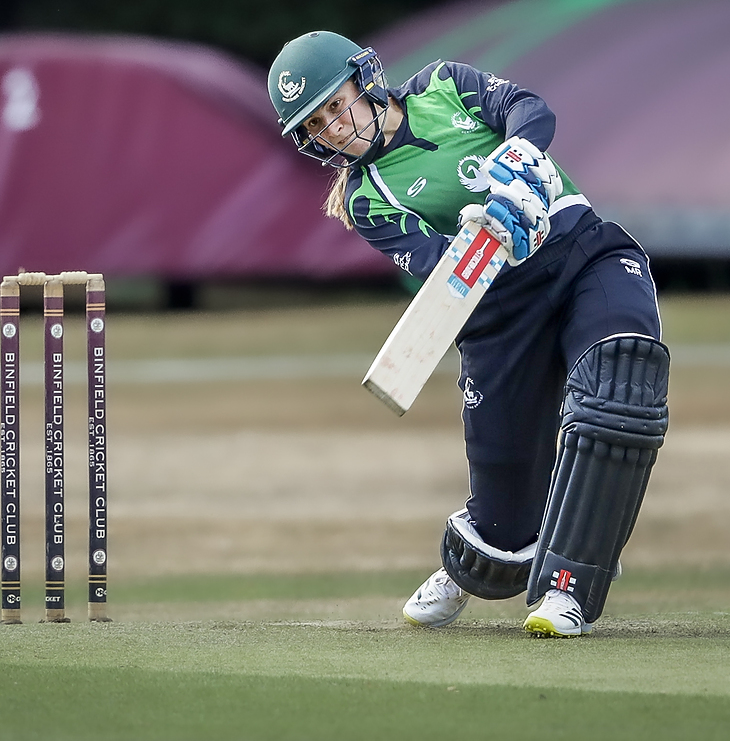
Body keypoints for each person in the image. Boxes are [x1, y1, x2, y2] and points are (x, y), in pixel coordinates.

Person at [267, 31, 670, 637]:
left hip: (584, 257)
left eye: (336, 104)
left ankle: (568, 592)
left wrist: (517, 165)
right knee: (504, 527)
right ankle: (467, 568)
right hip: (498, 317)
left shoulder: (442, 85)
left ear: (366, 80)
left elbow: (531, 110)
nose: (335, 127)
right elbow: (438, 272)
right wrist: (488, 234)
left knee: (621, 385)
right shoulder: (365, 196)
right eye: (318, 124)